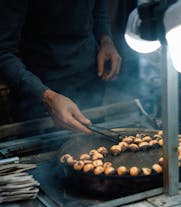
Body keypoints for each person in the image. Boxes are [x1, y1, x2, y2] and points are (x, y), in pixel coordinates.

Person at [0, 0, 122, 133]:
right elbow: (3, 52)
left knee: (94, 145)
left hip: (89, 79)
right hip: (38, 89)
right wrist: (47, 97)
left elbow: (98, 10)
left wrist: (106, 40)